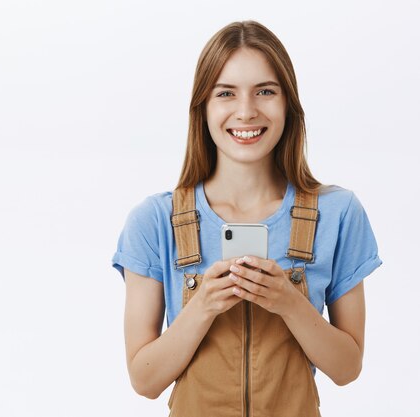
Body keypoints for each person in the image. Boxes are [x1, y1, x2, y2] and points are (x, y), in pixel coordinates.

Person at [111, 20, 382, 417]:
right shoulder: (154, 221)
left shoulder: (338, 213)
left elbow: (347, 369)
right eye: (226, 93)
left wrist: (290, 303)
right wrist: (203, 304)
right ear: (203, 107)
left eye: (265, 91)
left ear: (288, 102)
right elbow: (145, 380)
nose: (246, 111)